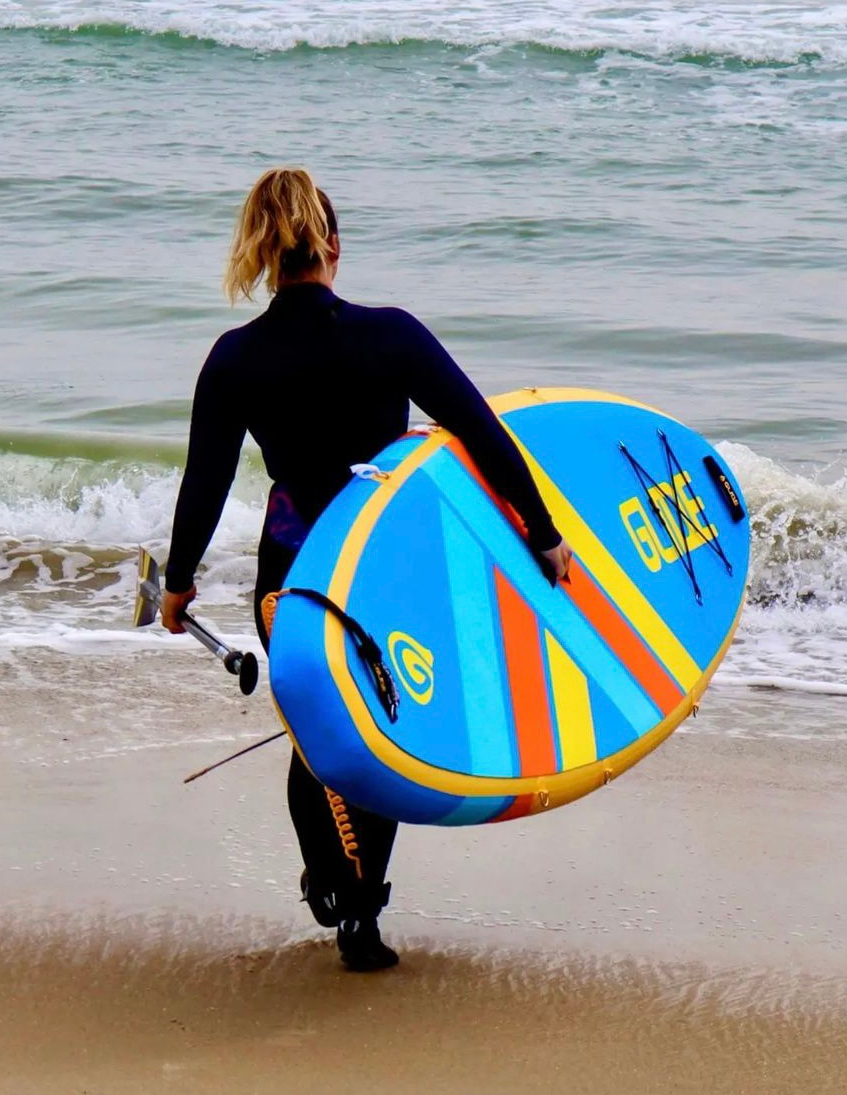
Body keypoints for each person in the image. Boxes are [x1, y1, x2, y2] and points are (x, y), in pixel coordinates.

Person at [162, 168, 571, 972]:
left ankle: (329, 876)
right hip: (379, 575)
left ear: (266, 258)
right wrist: (543, 533)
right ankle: (362, 913)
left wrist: (178, 583)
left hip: (292, 578)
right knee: (378, 727)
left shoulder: (235, 357)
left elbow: (203, 483)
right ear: (333, 247)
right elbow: (485, 435)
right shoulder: (392, 334)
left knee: (317, 734)